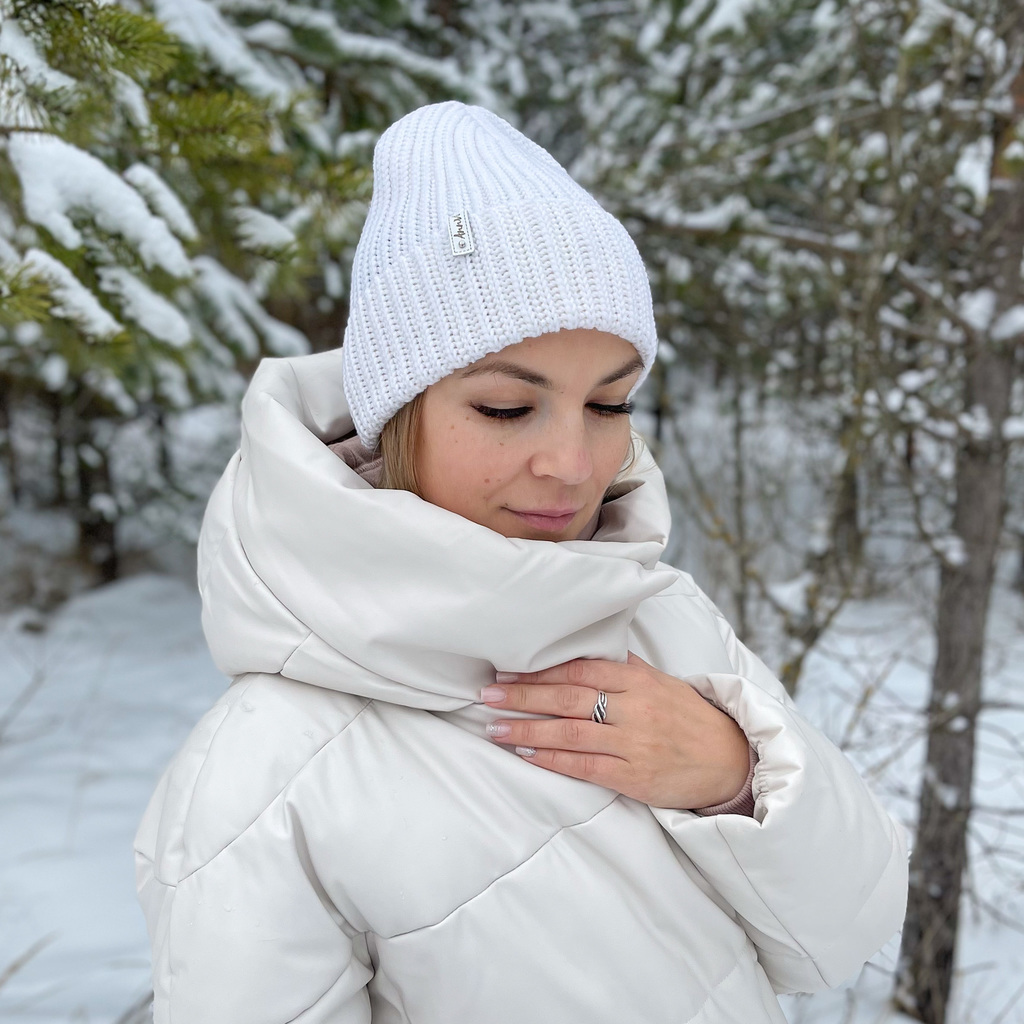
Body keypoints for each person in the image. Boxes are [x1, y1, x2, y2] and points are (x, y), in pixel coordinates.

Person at [134, 101, 908, 1024]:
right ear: (399, 412)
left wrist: (733, 775)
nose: (573, 464)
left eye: (610, 404)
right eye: (508, 408)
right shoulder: (266, 772)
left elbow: (843, 932)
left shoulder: (661, 619)